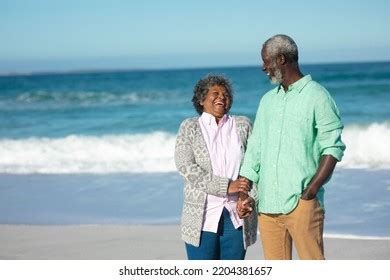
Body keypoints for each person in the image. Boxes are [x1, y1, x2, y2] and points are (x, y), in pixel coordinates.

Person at [239, 34, 346, 260]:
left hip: (302, 204)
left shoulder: (318, 96)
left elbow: (332, 148)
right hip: (267, 206)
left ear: (280, 59)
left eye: (265, 61)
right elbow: (255, 148)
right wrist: (244, 188)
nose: (263, 67)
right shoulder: (268, 100)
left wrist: (311, 192)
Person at [174, 74, 257, 260]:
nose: (222, 97)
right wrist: (226, 186)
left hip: (237, 216)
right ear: (202, 99)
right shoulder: (190, 127)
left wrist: (247, 198)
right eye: (215, 93)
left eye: (226, 94)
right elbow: (185, 165)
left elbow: (255, 165)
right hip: (201, 218)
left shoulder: (243, 125)